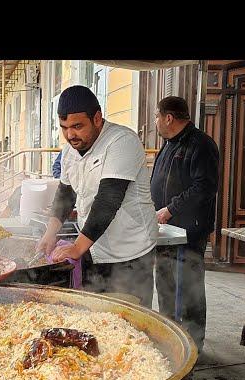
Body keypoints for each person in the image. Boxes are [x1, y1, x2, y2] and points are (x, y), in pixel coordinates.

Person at [37, 85, 158, 308]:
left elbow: (108, 201)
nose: (70, 135)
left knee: (130, 320)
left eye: (77, 126)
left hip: (129, 252)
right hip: (93, 248)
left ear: (97, 118)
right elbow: (65, 194)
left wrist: (76, 248)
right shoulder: (69, 151)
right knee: (95, 314)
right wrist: (50, 233)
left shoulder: (122, 142)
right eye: (64, 128)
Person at [150, 96, 219, 351]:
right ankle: (170, 337)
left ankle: (192, 345)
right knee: (166, 284)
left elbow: (205, 187)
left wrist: (170, 209)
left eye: (157, 116)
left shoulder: (201, 144)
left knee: (188, 288)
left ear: (168, 117)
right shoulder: (168, 145)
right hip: (165, 231)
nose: (155, 121)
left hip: (189, 231)